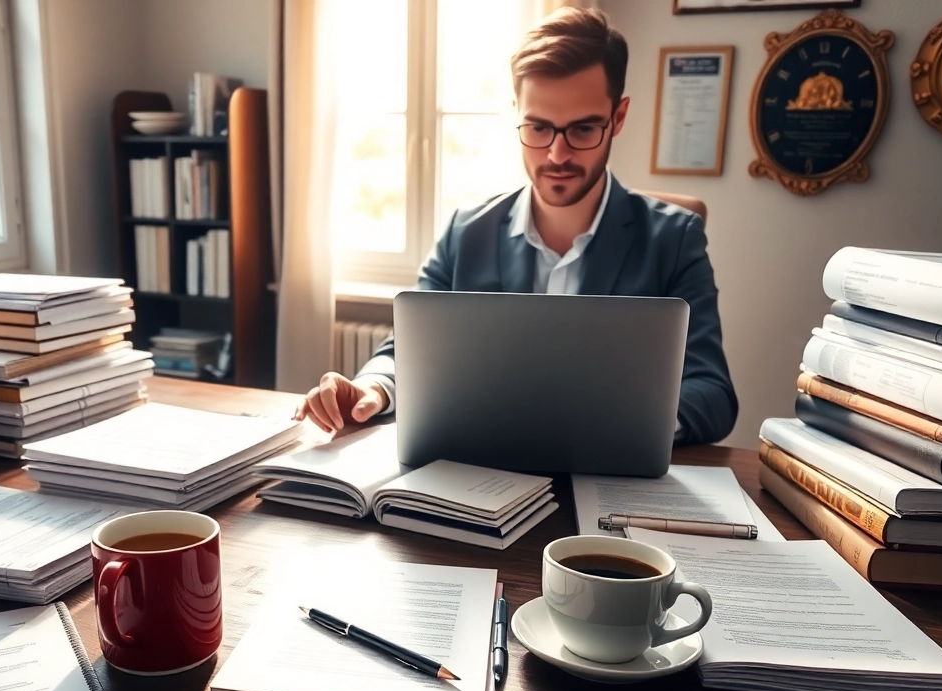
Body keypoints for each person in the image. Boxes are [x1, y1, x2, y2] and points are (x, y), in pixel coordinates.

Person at [294, 7, 738, 446]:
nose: (557, 155)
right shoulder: (466, 232)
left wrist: (622, 423)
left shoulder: (674, 240)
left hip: (610, 473)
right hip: (482, 474)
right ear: (516, 114)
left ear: (617, 118)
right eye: (539, 128)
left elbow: (712, 393)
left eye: (583, 130)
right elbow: (405, 350)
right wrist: (372, 389)